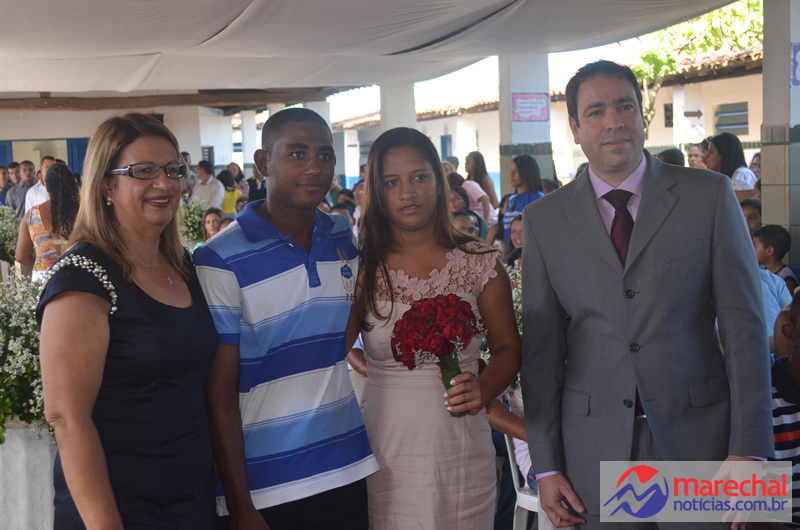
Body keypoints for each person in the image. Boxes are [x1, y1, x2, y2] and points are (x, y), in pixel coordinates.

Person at [522, 60, 773, 529]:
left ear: (643, 115)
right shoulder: (544, 220)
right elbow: (541, 353)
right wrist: (548, 464)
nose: (613, 122)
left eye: (625, 106)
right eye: (595, 112)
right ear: (575, 128)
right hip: (593, 447)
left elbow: (745, 328)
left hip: (703, 441)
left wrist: (751, 448)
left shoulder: (710, 195)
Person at [195, 107, 378, 529]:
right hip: (265, 484)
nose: (314, 167)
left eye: (325, 155)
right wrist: (240, 504)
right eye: (297, 154)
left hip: (344, 465)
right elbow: (219, 392)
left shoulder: (341, 236)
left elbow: (344, 332)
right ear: (263, 163)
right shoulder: (218, 258)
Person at [36, 113, 217, 528]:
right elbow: (67, 418)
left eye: (173, 170)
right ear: (105, 185)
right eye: (144, 171)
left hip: (192, 503)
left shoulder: (183, 265)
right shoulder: (81, 277)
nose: (164, 183)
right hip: (117, 509)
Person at [355, 126, 520, 529]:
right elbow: (333, 347)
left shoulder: (479, 261)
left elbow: (508, 348)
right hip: (385, 448)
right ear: (376, 190)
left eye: (419, 177)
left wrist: (483, 388)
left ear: (439, 180)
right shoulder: (360, 267)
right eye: (391, 182)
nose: (407, 192)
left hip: (461, 448)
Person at [15, 163, 80, 281]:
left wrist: (43, 264)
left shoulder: (32, 215)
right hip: (75, 275)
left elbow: (20, 256)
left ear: (47, 187)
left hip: (43, 278)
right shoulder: (83, 213)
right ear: (72, 185)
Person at [496, 154, 544, 248]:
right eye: (511, 171)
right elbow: (506, 231)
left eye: (516, 171)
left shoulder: (537, 198)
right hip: (511, 254)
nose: (511, 175)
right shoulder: (510, 200)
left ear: (527, 172)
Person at [707, 132, 758, 201]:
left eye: (711, 151)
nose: (706, 155)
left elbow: (743, 206)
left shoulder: (742, 175)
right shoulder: (718, 178)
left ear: (724, 155)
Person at [753, 225, 799, 295]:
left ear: (769, 251)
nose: (751, 249)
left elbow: (788, 302)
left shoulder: (786, 281)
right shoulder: (761, 269)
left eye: (755, 246)